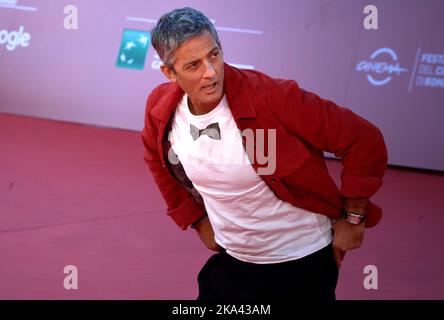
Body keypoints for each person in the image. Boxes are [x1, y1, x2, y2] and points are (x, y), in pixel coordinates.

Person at [141, 7, 387, 300]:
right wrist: (196, 220)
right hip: (233, 263)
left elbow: (363, 139)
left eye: (214, 55)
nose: (211, 72)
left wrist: (355, 217)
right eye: (193, 65)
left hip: (301, 265)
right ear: (169, 72)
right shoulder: (161, 108)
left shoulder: (273, 97)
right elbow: (155, 158)